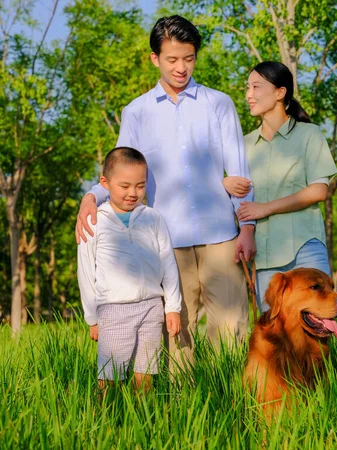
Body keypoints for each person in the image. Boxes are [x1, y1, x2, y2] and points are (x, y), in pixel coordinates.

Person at [75, 15, 256, 369]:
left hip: (221, 234)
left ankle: (229, 400)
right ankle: (181, 409)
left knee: (232, 325)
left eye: (189, 58)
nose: (181, 67)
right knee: (176, 332)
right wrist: (89, 197)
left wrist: (247, 228)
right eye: (172, 59)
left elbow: (239, 173)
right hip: (166, 241)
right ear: (155, 59)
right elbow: (120, 170)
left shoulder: (218, 104)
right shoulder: (137, 113)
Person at [222, 61, 337, 312]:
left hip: (305, 246)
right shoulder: (244, 145)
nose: (248, 95)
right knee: (273, 330)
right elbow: (236, 199)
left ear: (280, 92)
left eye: (256, 87)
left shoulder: (309, 135)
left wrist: (265, 208)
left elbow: (318, 191)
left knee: (319, 323)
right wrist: (224, 182)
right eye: (247, 88)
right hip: (262, 254)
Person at [77, 147, 182, 392]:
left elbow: (168, 263)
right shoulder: (94, 220)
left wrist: (173, 308)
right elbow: (85, 272)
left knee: (145, 376)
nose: (132, 193)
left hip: (152, 308)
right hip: (113, 310)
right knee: (109, 379)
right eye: (124, 186)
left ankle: (143, 424)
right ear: (105, 183)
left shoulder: (153, 218)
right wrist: (92, 318)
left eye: (140, 186)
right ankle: (106, 422)